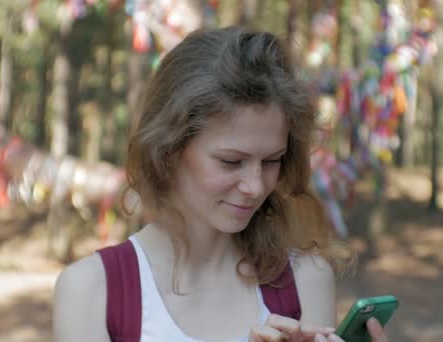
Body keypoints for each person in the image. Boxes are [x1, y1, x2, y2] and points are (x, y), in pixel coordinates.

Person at [53, 26, 389, 342]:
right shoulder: (93, 290)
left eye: (272, 161)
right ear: (167, 151)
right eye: (232, 161)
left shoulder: (305, 280)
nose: (256, 187)